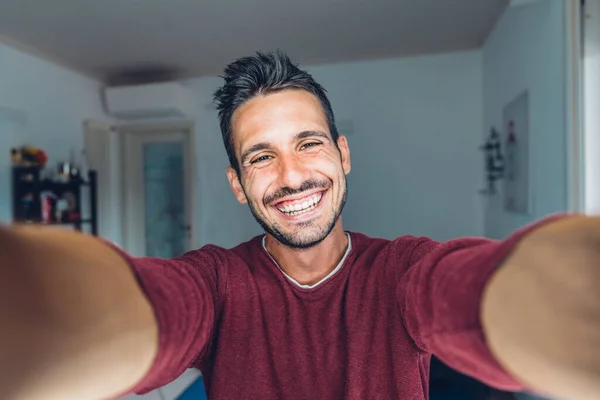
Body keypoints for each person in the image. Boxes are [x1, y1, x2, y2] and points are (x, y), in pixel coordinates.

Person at [1, 51, 599, 400]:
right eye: (261, 156)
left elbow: (470, 291)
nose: (290, 176)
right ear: (238, 183)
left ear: (342, 156)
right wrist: (41, 312)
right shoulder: (216, 282)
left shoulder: (402, 270)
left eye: (308, 144)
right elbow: (145, 308)